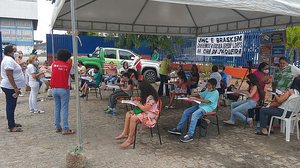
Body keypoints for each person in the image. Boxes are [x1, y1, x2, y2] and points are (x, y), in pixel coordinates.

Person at [168, 78, 219, 143]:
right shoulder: (208, 90)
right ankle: (178, 129)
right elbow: (200, 94)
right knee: (186, 111)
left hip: (208, 108)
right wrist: (191, 95)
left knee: (195, 115)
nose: (207, 86)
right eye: (207, 84)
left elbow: (207, 101)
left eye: (208, 85)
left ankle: (190, 134)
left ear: (213, 86)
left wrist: (195, 99)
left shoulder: (216, 92)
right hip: (202, 105)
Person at [114, 81, 159, 149]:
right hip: (147, 112)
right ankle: (125, 133)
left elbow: (145, 109)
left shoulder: (151, 97)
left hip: (151, 115)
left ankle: (130, 139)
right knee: (128, 114)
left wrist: (137, 103)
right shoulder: (148, 95)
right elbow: (144, 102)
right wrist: (137, 99)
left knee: (133, 118)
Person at [50, 49, 75, 135]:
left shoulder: (53, 64)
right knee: (64, 108)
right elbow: (73, 75)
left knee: (57, 107)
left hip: (54, 88)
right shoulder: (68, 66)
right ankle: (66, 128)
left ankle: (57, 126)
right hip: (63, 88)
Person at [1, 45, 25, 132]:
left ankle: (12, 123)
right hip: (9, 87)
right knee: (10, 106)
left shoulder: (10, 59)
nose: (15, 52)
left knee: (12, 105)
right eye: (13, 51)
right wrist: (15, 88)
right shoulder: (8, 60)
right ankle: (11, 126)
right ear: (8, 52)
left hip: (11, 87)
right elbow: (9, 75)